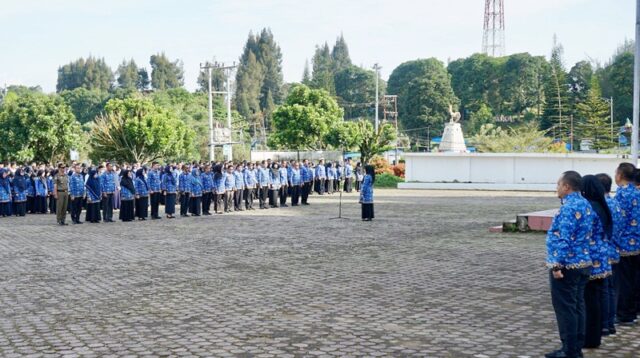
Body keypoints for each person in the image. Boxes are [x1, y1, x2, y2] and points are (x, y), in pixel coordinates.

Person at [544, 171, 593, 358]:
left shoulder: (568, 208)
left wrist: (557, 265)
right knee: (578, 306)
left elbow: (565, 239)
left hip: (567, 265)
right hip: (583, 262)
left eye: (558, 184)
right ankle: (576, 347)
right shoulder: (585, 204)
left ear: (566, 187)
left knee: (566, 309)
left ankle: (569, 349)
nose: (556, 188)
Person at [580, 175, 612, 349]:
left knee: (589, 299)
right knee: (597, 298)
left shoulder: (589, 208)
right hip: (602, 256)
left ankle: (589, 337)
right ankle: (595, 335)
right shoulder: (602, 205)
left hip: (590, 258)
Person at [595, 173, 623, 336]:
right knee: (611, 289)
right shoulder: (615, 203)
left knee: (604, 290)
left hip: (603, 252)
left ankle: (605, 323)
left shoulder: (601, 205)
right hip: (614, 250)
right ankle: (610, 322)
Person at [613, 163, 640, 325]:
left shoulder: (622, 194)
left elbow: (618, 221)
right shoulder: (637, 192)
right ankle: (634, 310)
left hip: (624, 246)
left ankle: (624, 314)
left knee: (623, 282)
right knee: (635, 279)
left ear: (620, 175)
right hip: (638, 243)